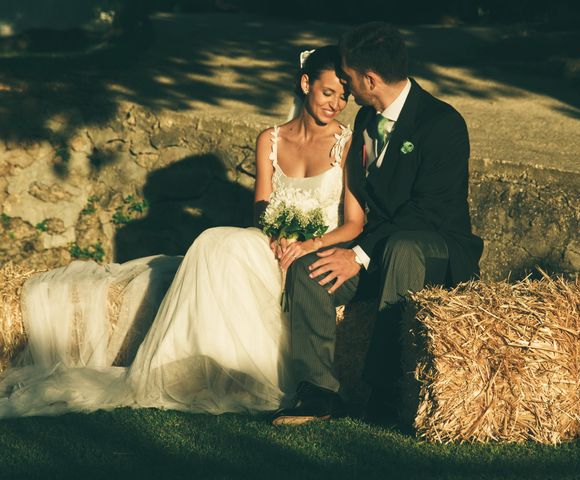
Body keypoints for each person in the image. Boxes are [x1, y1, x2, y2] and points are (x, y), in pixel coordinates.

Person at [0, 45, 364, 417]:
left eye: (344, 95)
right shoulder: (269, 139)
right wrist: (275, 235)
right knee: (214, 241)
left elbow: (355, 222)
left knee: (227, 249)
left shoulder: (347, 143)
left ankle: (243, 374)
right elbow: (261, 209)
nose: (336, 103)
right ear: (306, 84)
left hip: (316, 252)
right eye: (328, 92)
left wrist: (309, 244)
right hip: (271, 245)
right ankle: (194, 370)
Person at [272, 23, 483, 426]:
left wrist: (359, 254)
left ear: (370, 79)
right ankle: (319, 393)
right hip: (378, 252)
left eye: (348, 79)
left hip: (435, 250)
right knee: (308, 270)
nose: (346, 90)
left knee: (403, 247)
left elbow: (428, 211)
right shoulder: (368, 120)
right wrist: (341, 248)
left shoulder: (442, 124)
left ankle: (390, 394)